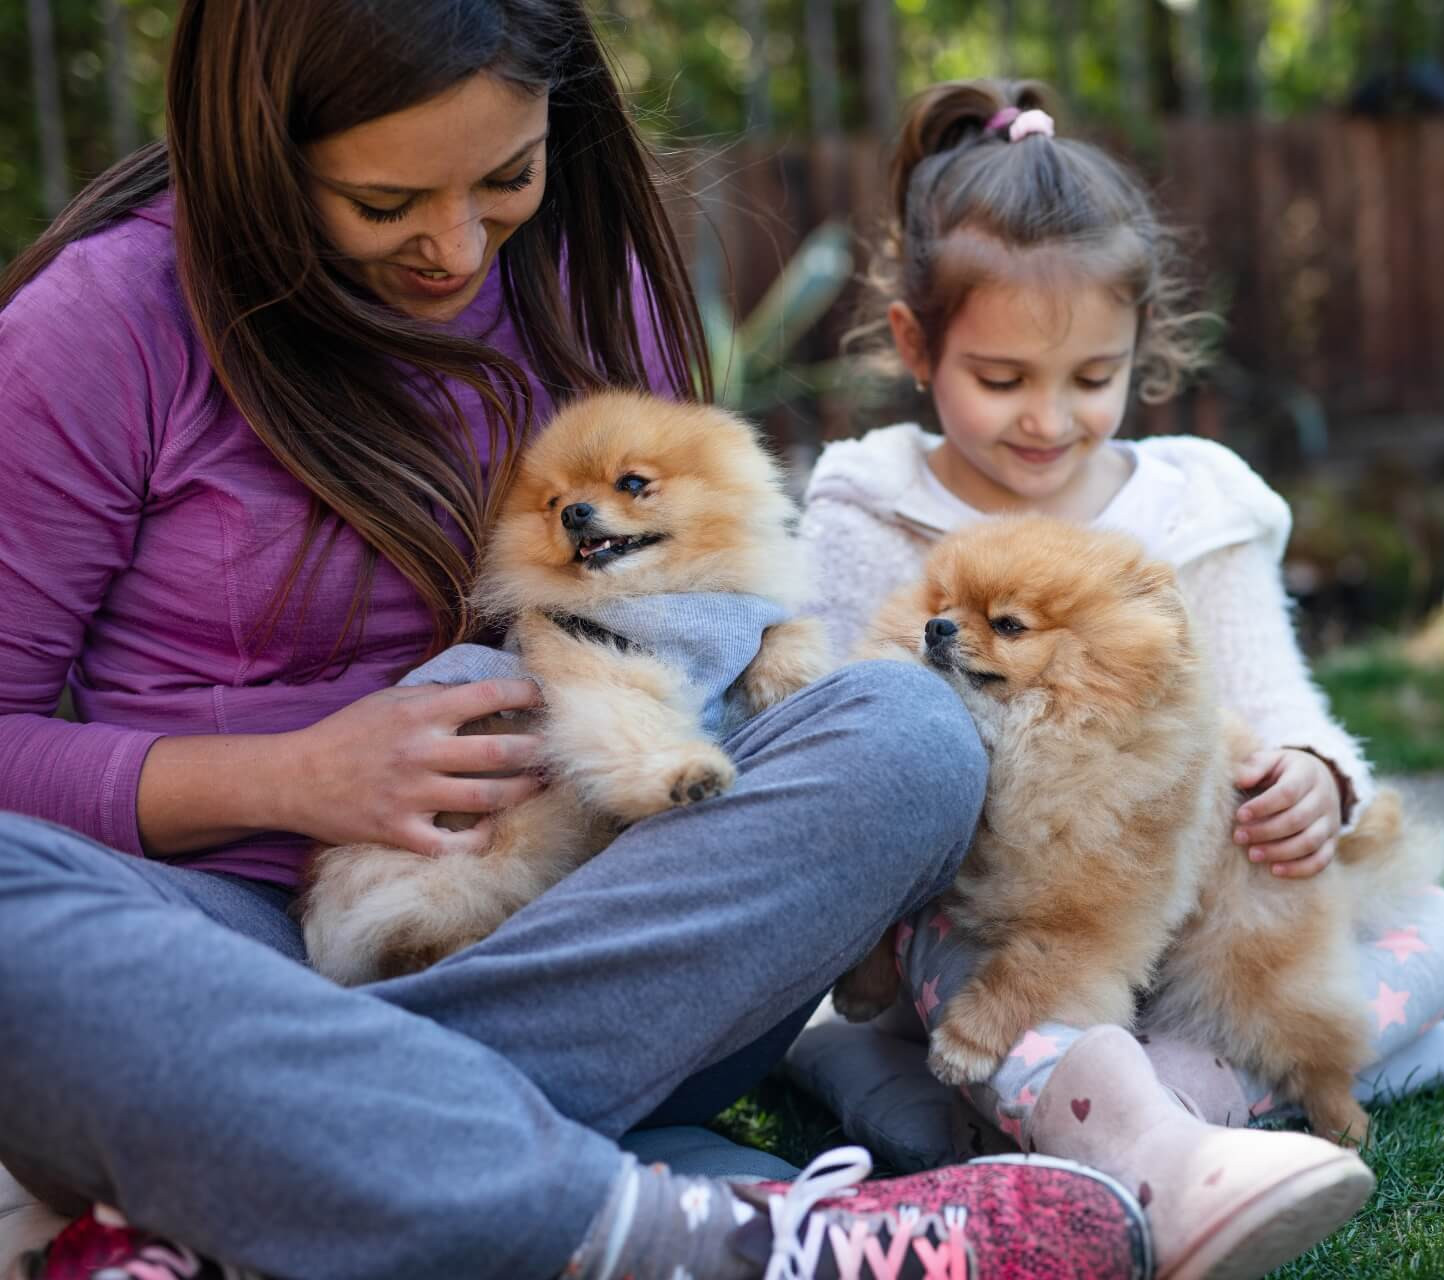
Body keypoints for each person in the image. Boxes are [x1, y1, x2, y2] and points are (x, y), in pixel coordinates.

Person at [0, 9, 1166, 1279]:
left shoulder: (584, 276)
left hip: (591, 925)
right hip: (217, 931)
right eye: (384, 201)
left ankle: (287, 1164)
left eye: (506, 177)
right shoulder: (102, 323)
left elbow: (704, 614)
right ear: (260, 152)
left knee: (906, 733)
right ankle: (640, 1217)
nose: (455, 246)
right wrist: (289, 779)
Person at [796, 79, 1444, 1279]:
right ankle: (1129, 1127)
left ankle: (1144, 1099)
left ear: (1142, 349)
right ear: (918, 346)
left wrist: (1314, 781)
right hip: (983, 918)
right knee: (995, 960)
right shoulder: (874, 501)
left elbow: (1279, 699)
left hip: (1190, 909)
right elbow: (830, 726)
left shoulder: (1192, 500)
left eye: (1091, 376)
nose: (1048, 420)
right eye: (1004, 378)